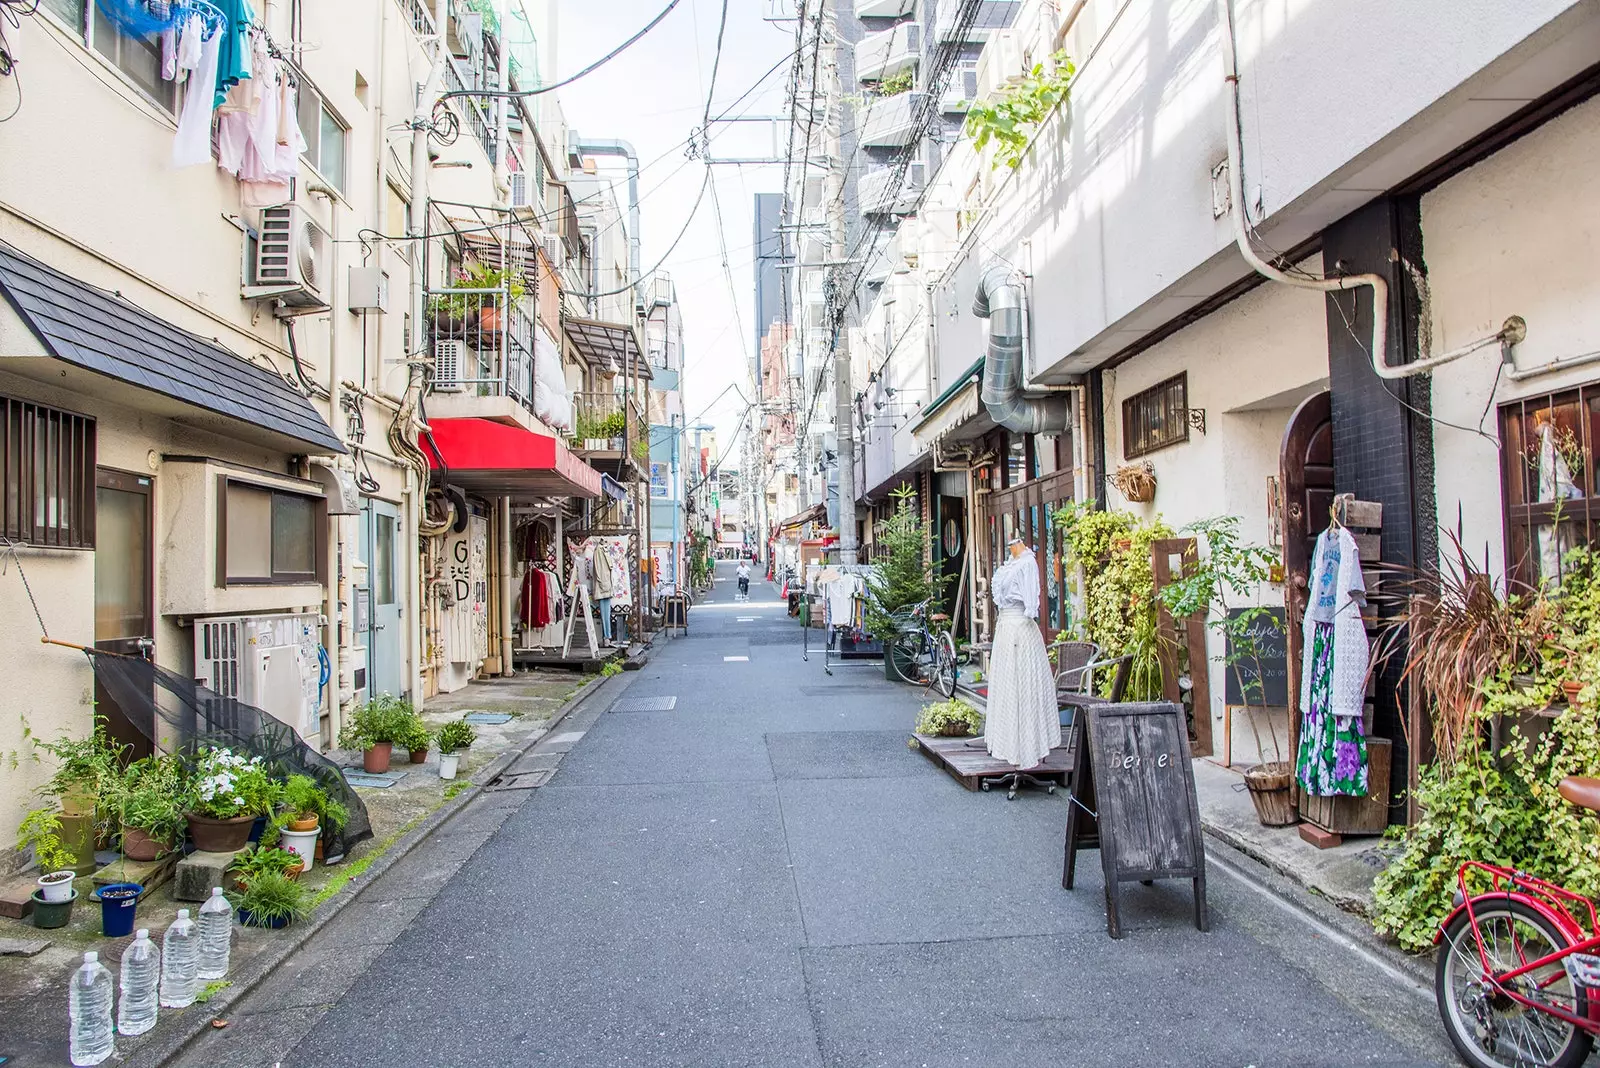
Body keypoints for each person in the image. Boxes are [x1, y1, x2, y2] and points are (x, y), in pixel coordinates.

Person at [985, 535, 1060, 769]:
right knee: (1008, 687)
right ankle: (1010, 746)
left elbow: (1030, 605)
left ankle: (1028, 747)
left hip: (1020, 629)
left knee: (1024, 687)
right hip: (1006, 630)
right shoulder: (1010, 564)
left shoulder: (1028, 563)